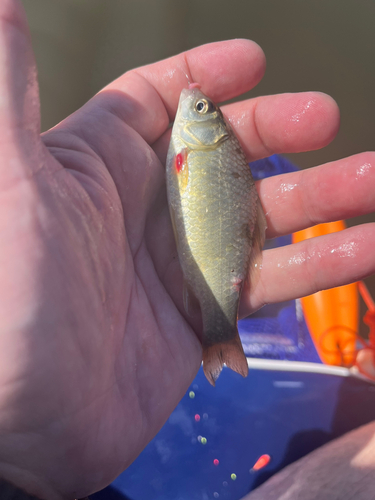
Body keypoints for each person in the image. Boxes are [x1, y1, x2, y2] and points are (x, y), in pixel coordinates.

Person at [0, 1, 374, 499]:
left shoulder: (189, 148)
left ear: (204, 132)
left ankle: (219, 338)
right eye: (201, 109)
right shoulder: (193, 147)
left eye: (202, 110)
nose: (194, 103)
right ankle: (219, 340)